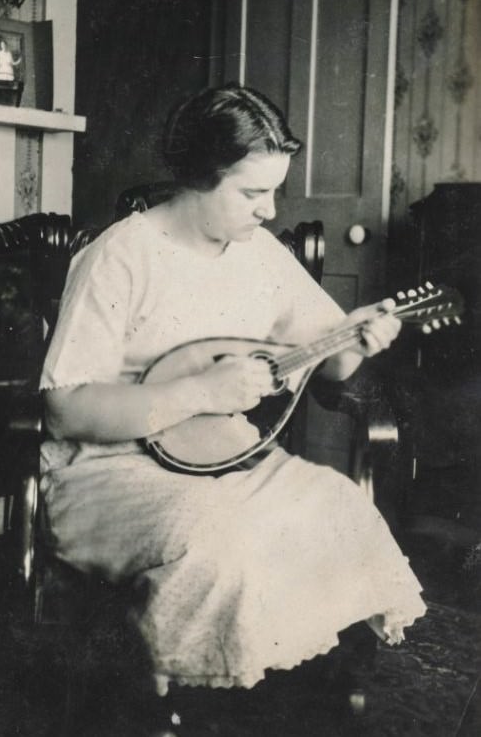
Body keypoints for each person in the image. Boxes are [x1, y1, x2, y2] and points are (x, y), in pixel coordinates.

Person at [40, 84, 425, 712]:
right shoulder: (120, 255)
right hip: (108, 472)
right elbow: (66, 407)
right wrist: (200, 391)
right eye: (252, 193)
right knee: (224, 543)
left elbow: (333, 363)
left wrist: (362, 334)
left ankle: (296, 697)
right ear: (197, 178)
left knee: (337, 508)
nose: (270, 210)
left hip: (222, 456)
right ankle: (192, 696)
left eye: (275, 190)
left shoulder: (261, 255)